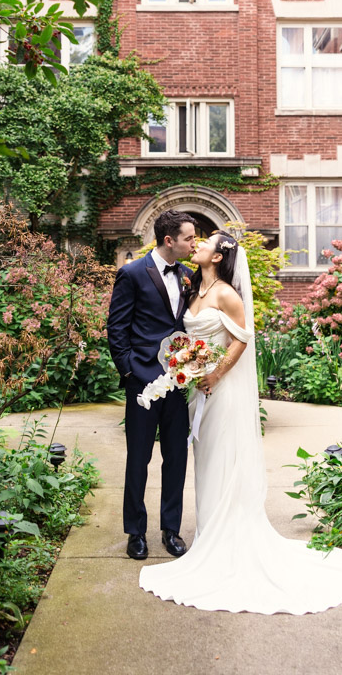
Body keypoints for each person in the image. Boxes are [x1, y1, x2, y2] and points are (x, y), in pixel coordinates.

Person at [139, 231, 342, 614]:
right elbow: (191, 337)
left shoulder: (227, 293)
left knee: (226, 461)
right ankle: (211, 532)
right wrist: (188, 364)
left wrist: (216, 374)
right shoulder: (194, 289)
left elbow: (241, 340)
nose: (198, 246)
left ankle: (228, 541)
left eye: (206, 243)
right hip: (199, 394)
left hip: (221, 392)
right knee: (208, 463)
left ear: (218, 257)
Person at [107, 209, 197, 561]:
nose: (194, 243)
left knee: (176, 457)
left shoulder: (190, 276)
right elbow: (117, 328)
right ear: (169, 240)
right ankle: (135, 532)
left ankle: (171, 530)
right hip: (142, 381)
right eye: (189, 237)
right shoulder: (131, 273)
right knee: (138, 459)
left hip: (179, 383)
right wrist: (130, 372)